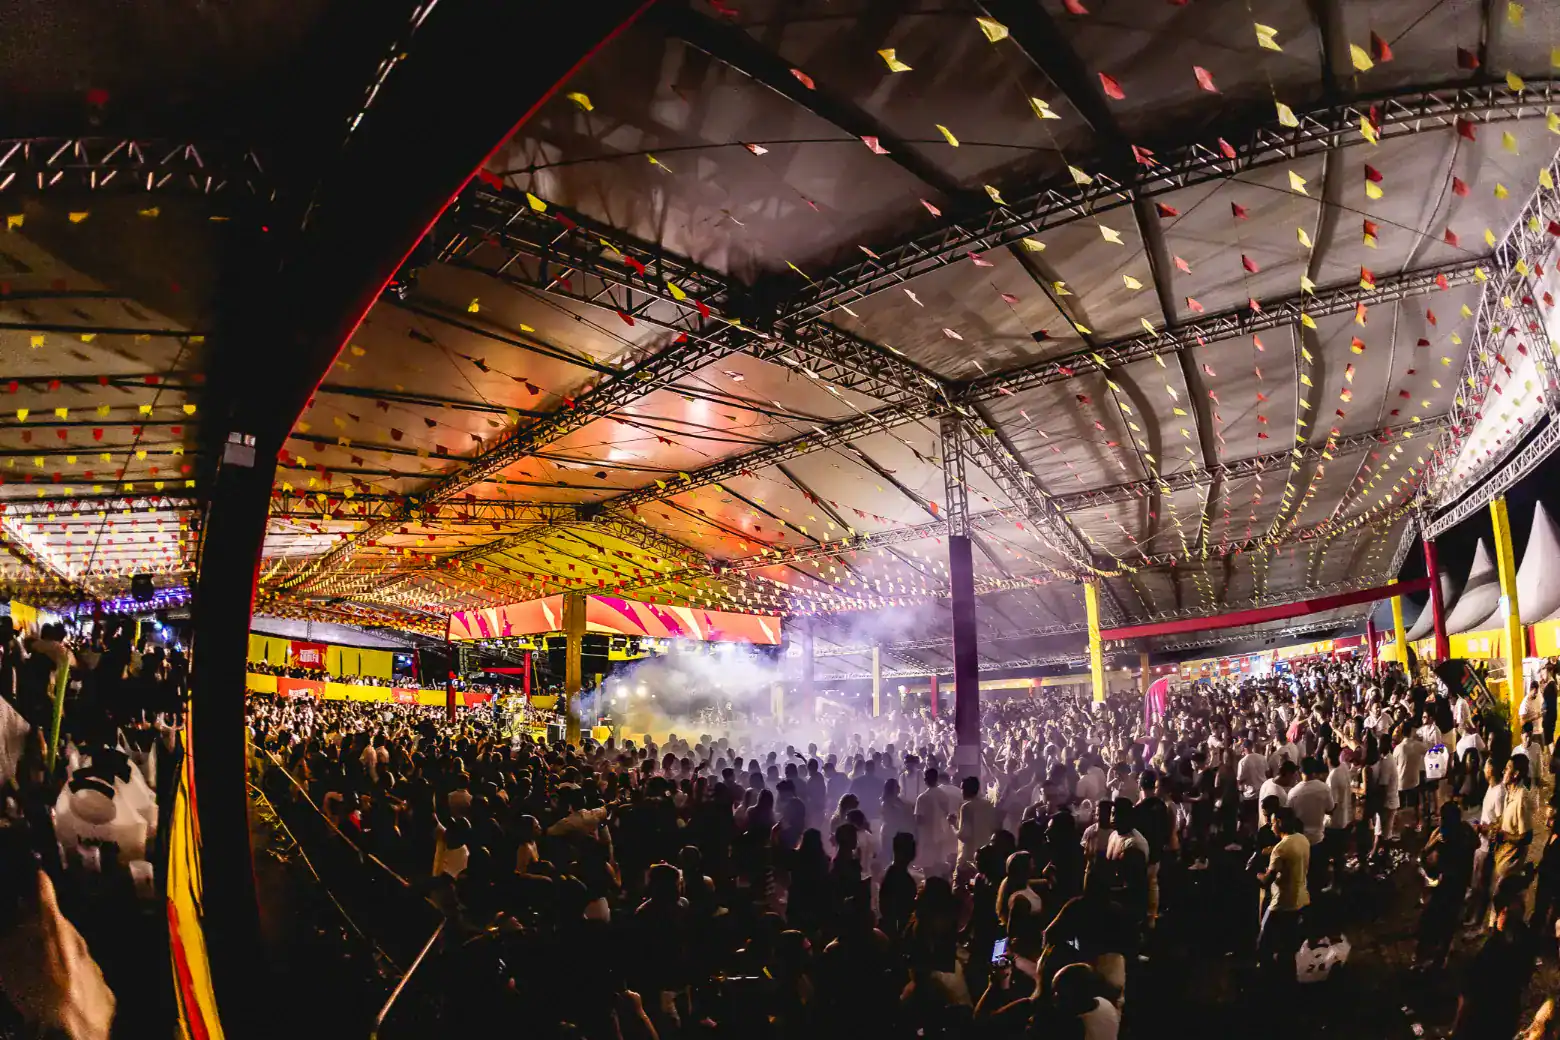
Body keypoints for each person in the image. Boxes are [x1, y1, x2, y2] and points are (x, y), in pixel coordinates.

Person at [1452, 880, 1538, 1040]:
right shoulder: (1497, 950)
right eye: (1519, 901)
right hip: (1493, 1015)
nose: (1523, 904)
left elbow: (1468, 992)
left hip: (1495, 1013)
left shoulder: (1514, 942)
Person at [1417, 802, 1476, 970]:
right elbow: (1477, 843)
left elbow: (1426, 860)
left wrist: (1432, 843)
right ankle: (1442, 956)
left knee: (1436, 923)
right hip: (1460, 886)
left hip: (1444, 888)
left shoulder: (1444, 840)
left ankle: (1433, 959)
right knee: (1450, 922)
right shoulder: (1466, 830)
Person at [1255, 808, 1308, 985]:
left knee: (1263, 943)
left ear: (1279, 822)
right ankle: (1288, 980)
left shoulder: (1280, 849)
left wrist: (1257, 874)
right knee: (1288, 945)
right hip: (1299, 898)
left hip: (1281, 902)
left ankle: (1265, 980)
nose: (1271, 827)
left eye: (1272, 823)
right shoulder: (1302, 839)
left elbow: (1266, 881)